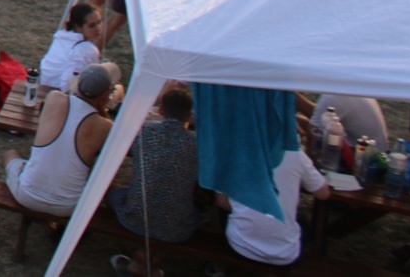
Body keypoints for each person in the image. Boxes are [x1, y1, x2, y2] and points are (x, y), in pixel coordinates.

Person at [107, 86, 203, 274]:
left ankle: (140, 262)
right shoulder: (197, 144)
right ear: (189, 116)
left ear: (160, 111)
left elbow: (124, 150)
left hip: (134, 218)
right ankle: (149, 261)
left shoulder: (144, 133)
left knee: (111, 190)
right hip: (177, 228)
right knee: (177, 201)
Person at [2, 64, 120, 216]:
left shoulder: (54, 97)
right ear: (106, 94)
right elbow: (103, 122)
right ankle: (52, 224)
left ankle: (47, 223)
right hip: (70, 206)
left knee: (11, 154)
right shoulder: (105, 126)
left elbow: (72, 100)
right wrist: (102, 105)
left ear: (78, 83)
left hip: (26, 196)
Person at [221, 128, 331, 269]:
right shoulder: (296, 155)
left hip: (240, 246)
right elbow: (323, 194)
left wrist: (246, 209)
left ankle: (220, 267)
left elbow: (222, 202)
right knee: (305, 225)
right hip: (284, 255)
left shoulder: (232, 151)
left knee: (224, 212)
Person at [38, 3, 111, 92]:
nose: (98, 28)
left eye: (99, 22)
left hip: (43, 86)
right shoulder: (88, 50)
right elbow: (67, 87)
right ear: (78, 27)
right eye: (92, 25)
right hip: (60, 96)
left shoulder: (60, 37)